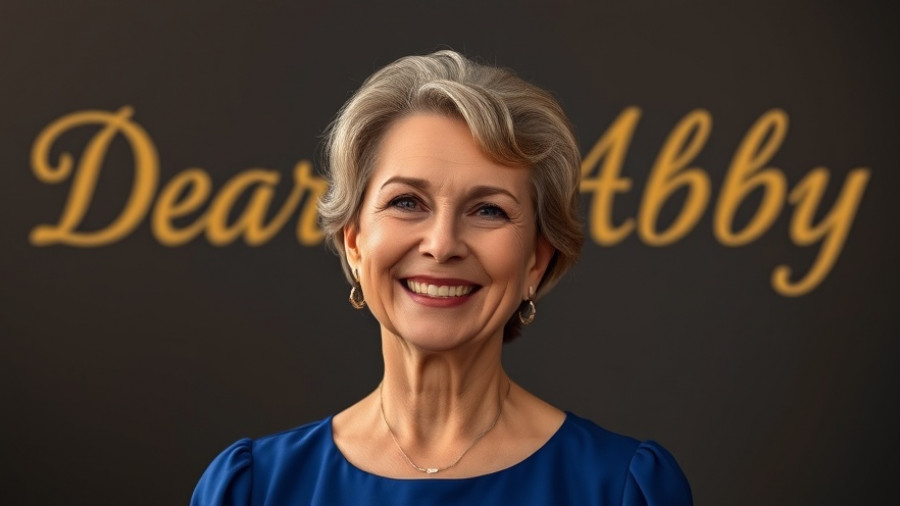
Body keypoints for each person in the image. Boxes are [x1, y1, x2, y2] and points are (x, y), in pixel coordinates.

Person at [191, 50, 692, 505]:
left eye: (489, 210)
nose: (442, 244)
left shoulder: (622, 488)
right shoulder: (254, 489)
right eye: (407, 202)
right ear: (354, 241)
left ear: (536, 261)